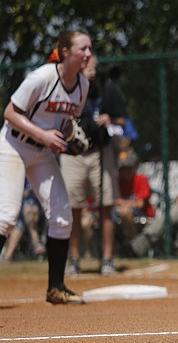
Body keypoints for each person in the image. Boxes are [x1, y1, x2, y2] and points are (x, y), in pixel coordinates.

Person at [0, 30, 92, 304]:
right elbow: (10, 113)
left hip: (42, 153)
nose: (88, 54)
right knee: (6, 216)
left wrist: (68, 136)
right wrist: (44, 135)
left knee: (62, 217)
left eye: (89, 49)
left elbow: (67, 122)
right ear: (64, 52)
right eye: (82, 49)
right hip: (13, 146)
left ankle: (56, 288)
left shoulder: (82, 86)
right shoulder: (43, 77)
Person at [61, 55, 128, 276]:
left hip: (101, 152)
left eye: (93, 65)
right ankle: (74, 259)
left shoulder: (107, 89)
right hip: (74, 153)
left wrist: (109, 121)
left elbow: (123, 122)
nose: (90, 68)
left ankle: (107, 259)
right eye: (85, 63)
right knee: (74, 207)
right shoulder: (69, 88)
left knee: (106, 205)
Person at [114, 150, 155, 253]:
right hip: (118, 212)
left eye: (128, 168)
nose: (125, 171)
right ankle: (114, 250)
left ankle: (133, 248)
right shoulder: (117, 181)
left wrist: (121, 202)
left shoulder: (141, 179)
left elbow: (140, 204)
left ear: (135, 166)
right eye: (123, 168)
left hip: (141, 213)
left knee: (125, 212)